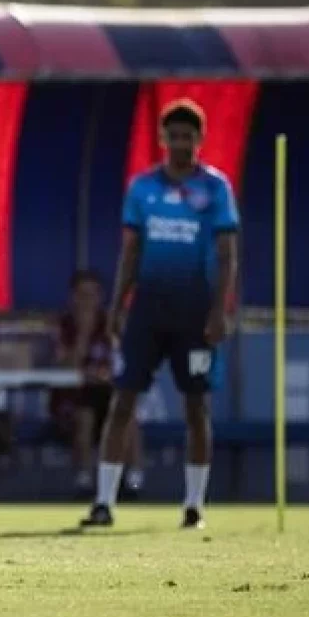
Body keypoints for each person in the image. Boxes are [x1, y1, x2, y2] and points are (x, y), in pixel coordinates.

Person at [81, 99, 239, 530]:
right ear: (163, 139)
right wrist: (117, 306)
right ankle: (104, 503)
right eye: (174, 135)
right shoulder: (143, 188)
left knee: (196, 408)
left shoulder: (215, 189)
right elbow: (130, 251)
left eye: (189, 136)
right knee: (123, 401)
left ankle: (193, 507)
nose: (181, 143)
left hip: (195, 316)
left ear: (199, 140)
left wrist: (219, 312)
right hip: (147, 313)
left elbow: (227, 256)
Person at [50, 270, 143, 498]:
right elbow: (64, 364)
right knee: (84, 418)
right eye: (82, 295)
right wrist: (83, 333)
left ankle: (132, 481)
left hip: (107, 391)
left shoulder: (111, 323)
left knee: (127, 416)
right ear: (73, 297)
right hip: (74, 395)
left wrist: (106, 373)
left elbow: (123, 362)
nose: (87, 300)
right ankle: (84, 480)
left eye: (92, 295)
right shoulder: (65, 325)